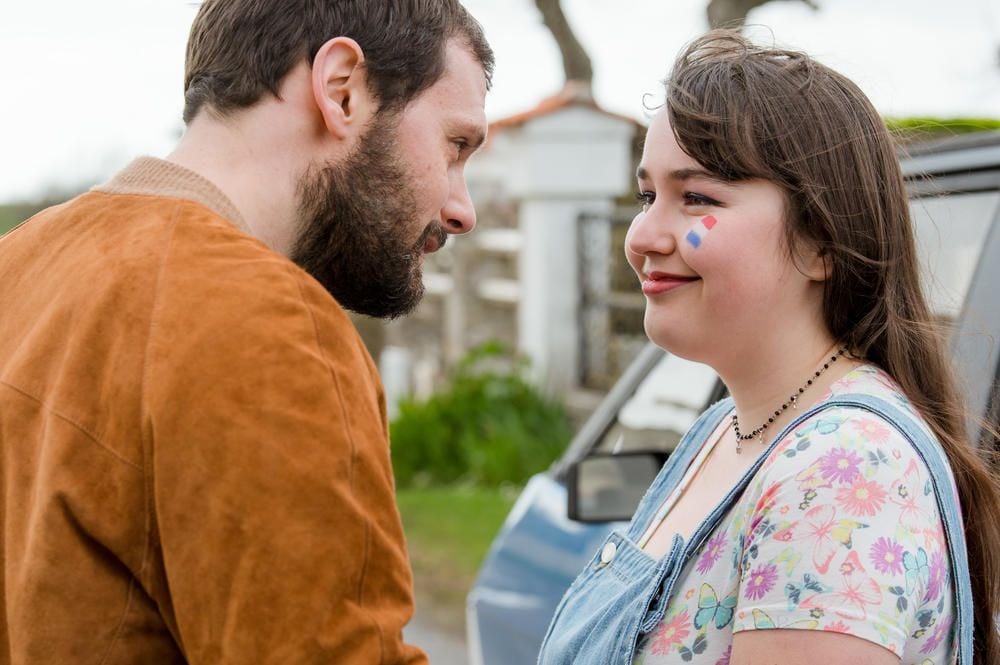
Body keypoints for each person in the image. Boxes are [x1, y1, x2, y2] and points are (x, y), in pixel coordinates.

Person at [0, 1, 493, 662]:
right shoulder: (268, 323)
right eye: (456, 144)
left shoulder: (18, 264)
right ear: (342, 88)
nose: (462, 208)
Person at [537, 30, 1000, 665]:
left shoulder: (845, 471)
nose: (642, 234)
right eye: (648, 195)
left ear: (821, 243)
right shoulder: (723, 431)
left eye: (696, 197)